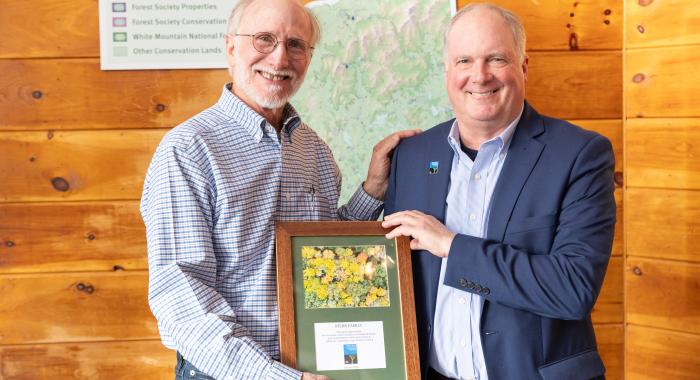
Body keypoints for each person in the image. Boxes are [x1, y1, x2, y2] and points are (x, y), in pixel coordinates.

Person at [140, 0, 418, 379]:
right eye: (264, 39)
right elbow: (181, 296)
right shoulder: (189, 150)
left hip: (315, 366)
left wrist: (372, 189)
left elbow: (320, 252)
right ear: (231, 47)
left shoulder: (314, 149)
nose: (279, 57)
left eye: (296, 44)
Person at [382, 3, 616, 380]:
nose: (479, 76)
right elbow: (390, 273)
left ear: (523, 67)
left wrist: (450, 245)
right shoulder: (411, 157)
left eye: (496, 59)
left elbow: (572, 289)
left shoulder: (579, 155)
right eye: (464, 61)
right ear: (447, 70)